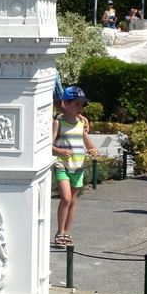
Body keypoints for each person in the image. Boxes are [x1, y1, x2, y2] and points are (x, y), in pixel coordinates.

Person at [52, 86, 99, 246]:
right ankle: (59, 231)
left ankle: (66, 232)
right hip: (62, 165)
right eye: (77, 104)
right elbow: (48, 145)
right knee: (65, 198)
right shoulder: (59, 122)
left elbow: (88, 143)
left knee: (72, 201)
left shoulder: (80, 123)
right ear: (65, 104)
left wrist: (92, 149)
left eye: (81, 105)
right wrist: (59, 151)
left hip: (78, 166)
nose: (80, 108)